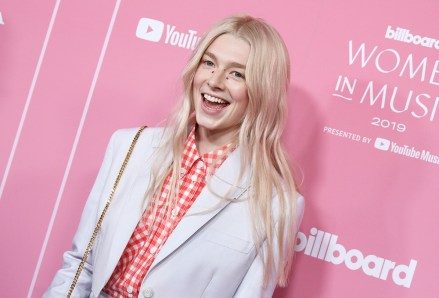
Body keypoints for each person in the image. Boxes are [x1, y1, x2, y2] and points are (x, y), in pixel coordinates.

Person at [44, 14, 304, 298]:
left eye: (237, 73)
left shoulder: (278, 204)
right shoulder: (130, 146)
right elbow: (80, 266)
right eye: (209, 63)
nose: (215, 81)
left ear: (262, 91)